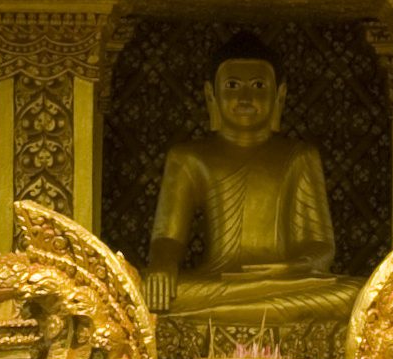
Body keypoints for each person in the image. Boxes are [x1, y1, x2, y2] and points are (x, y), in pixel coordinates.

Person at [144, 32, 361, 324]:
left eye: (258, 86)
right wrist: (162, 265)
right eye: (232, 85)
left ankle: (217, 315)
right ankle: (232, 310)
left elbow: (321, 245)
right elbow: (168, 236)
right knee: (141, 288)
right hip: (217, 281)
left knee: (356, 294)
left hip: (284, 283)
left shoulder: (299, 155)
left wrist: (289, 269)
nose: (245, 97)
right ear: (211, 95)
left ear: (279, 96)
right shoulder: (188, 157)